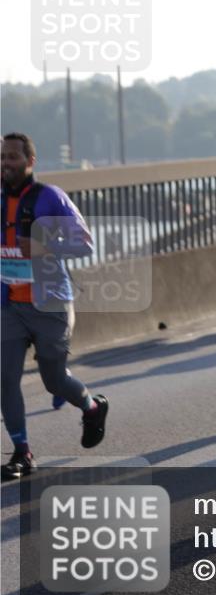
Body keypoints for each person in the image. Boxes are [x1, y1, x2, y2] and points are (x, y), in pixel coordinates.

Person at [1, 133, 110, 480]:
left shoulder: (51, 198)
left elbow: (85, 245)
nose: (6, 164)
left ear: (31, 162)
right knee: (6, 380)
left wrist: (45, 249)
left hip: (50, 303)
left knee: (54, 380)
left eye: (13, 157)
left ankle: (92, 407)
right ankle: (22, 452)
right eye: (2, 157)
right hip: (7, 306)